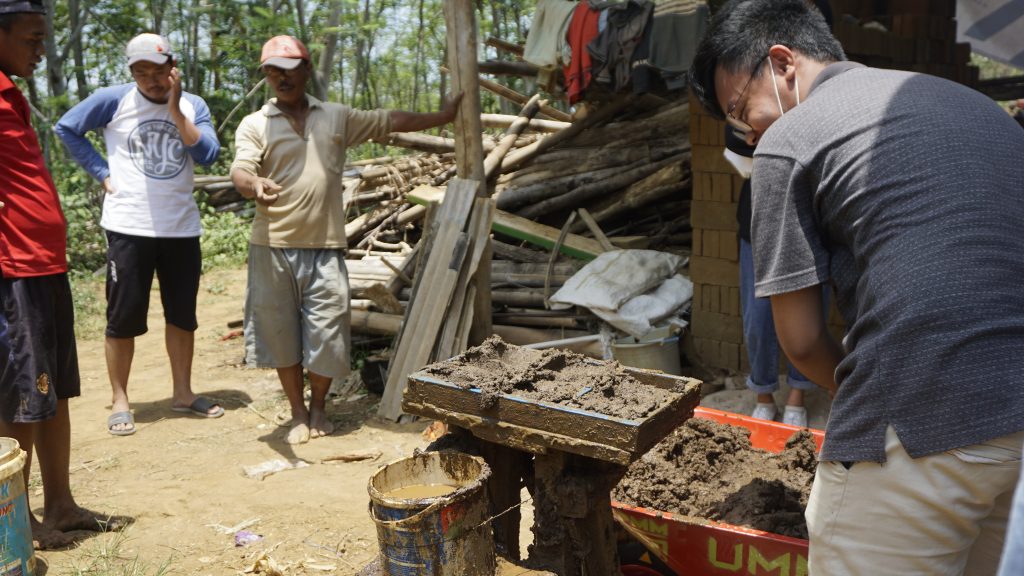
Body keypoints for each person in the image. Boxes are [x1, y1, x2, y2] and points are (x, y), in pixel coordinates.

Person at [690, 0, 1024, 574]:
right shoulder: (980, 108)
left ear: (782, 62)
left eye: (743, 110)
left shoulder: (790, 138)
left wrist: (860, 403)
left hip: (926, 410)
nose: (749, 133)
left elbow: (798, 340)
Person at [230, 36, 461, 445]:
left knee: (327, 331)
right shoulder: (256, 124)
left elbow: (390, 121)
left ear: (305, 70)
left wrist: (441, 115)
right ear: (265, 74)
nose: (282, 78)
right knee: (281, 333)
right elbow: (241, 171)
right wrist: (255, 183)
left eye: (290, 69)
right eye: (273, 71)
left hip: (326, 246)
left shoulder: (335, 116)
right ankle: (298, 413)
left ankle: (320, 407)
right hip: (272, 246)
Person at [0, 0, 124, 548]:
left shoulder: (13, 95)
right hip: (14, 270)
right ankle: (17, 520)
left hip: (45, 266)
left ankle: (62, 503)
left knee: (54, 391)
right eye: (31, 38)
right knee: (19, 398)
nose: (40, 48)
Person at [55, 33, 222, 436]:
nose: (151, 79)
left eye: (158, 71)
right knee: (122, 317)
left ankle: (183, 393)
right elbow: (67, 128)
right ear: (131, 72)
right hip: (129, 227)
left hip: (180, 227)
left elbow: (208, 154)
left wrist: (175, 109)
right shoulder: (113, 99)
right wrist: (102, 173)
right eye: (141, 72)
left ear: (173, 68)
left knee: (182, 314)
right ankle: (120, 400)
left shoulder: (192, 104)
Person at [723, 129, 828, 428]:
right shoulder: (747, 96)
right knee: (758, 317)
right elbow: (733, 139)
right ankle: (763, 394)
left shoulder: (810, 96)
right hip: (758, 219)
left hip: (809, 218)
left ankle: (798, 394)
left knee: (810, 312)